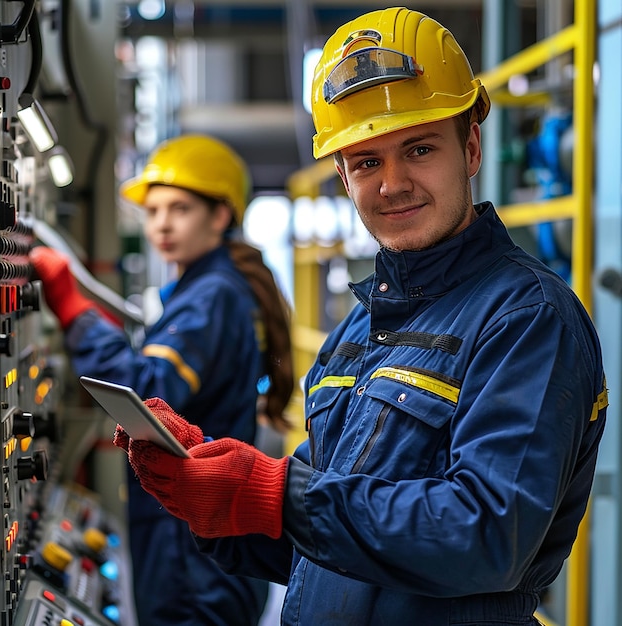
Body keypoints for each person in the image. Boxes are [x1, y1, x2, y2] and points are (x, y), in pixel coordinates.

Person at [112, 8, 608, 625]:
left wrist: (276, 495)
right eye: (367, 162)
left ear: (471, 147)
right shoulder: (358, 329)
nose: (393, 183)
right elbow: (324, 540)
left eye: (419, 148)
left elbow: (488, 534)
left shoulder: (525, 319)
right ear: (343, 176)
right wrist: (210, 487)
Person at [30, 134, 294, 626]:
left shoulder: (211, 294)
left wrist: (73, 309)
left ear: (220, 216)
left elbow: (149, 389)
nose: (162, 224)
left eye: (180, 208)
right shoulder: (209, 287)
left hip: (192, 554)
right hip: (204, 537)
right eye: (153, 211)